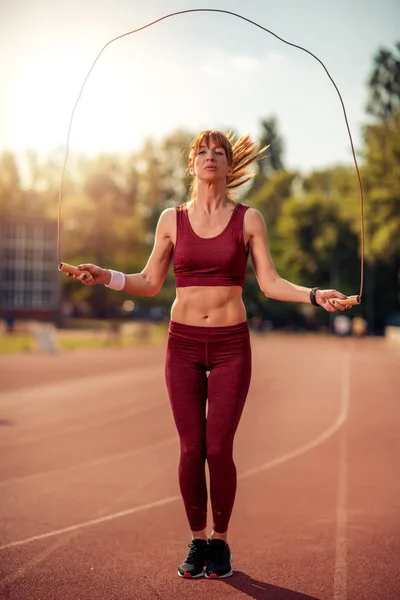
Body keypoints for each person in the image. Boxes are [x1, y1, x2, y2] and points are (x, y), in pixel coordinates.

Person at [75, 130, 349, 580]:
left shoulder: (248, 219)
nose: (210, 157)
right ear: (191, 164)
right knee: (190, 448)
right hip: (181, 345)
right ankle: (197, 538)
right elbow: (148, 280)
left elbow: (271, 283)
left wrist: (317, 295)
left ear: (228, 166)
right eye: (202, 151)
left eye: (218, 152)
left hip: (230, 347)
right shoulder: (171, 219)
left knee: (218, 448)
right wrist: (104, 275)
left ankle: (220, 543)